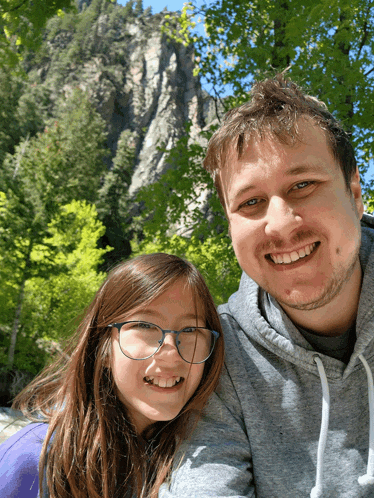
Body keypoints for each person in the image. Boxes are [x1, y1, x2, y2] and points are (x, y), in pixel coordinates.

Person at [159, 75, 374, 498]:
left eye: (302, 185)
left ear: (354, 193)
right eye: (250, 202)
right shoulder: (218, 353)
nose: (279, 225)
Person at [0, 253, 224, 498]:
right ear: (102, 348)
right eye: (145, 326)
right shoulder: (35, 459)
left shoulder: (204, 460)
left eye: (190, 329)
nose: (171, 353)